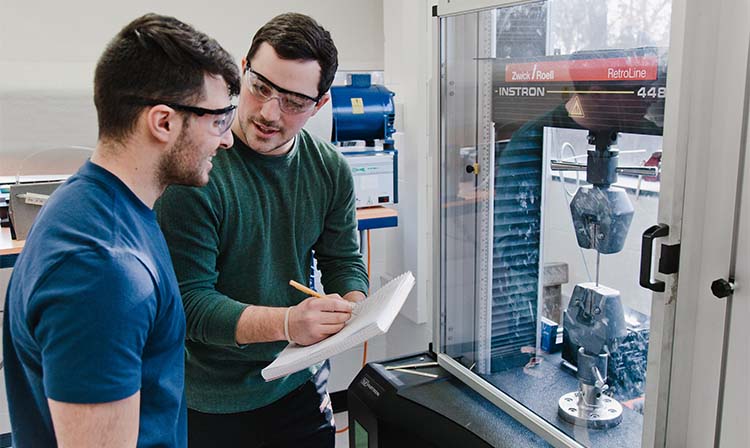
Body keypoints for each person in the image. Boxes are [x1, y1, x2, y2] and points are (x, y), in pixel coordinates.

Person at [3, 13, 240, 447]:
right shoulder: (103, 270)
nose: (226, 140)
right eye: (218, 120)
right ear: (163, 122)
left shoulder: (97, 204)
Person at [155, 12, 369, 447]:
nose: (270, 113)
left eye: (294, 102)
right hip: (211, 400)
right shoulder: (196, 171)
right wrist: (289, 322)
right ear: (243, 71)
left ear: (320, 104)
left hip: (296, 384)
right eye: (261, 88)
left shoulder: (329, 170)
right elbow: (191, 305)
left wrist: (355, 308)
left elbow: (342, 260)